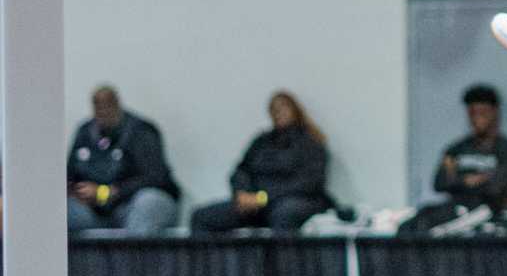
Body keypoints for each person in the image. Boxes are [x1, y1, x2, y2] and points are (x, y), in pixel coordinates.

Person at [189, 90, 332, 234]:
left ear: (295, 109)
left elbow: (309, 183)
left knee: (284, 214)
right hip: (254, 203)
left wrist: (263, 198)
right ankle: (220, 257)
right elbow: (240, 171)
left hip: (293, 201)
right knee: (202, 217)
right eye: (274, 109)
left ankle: (280, 257)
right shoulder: (262, 141)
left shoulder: (310, 142)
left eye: (283, 107)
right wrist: (243, 193)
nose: (279, 112)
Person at [66, 84, 181, 235]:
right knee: (63, 208)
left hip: (131, 205)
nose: (103, 112)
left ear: (116, 103)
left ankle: (135, 257)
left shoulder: (141, 131)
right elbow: (70, 174)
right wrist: (77, 191)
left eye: (107, 105)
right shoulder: (85, 132)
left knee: (149, 202)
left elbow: (155, 177)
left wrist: (104, 192)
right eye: (98, 106)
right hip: (94, 211)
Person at [429, 84, 507, 215]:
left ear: (494, 112)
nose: (477, 118)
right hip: (456, 215)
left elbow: (496, 188)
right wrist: (471, 180)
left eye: (483, 112)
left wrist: (457, 180)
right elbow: (440, 183)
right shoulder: (455, 149)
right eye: (472, 113)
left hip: (493, 216)